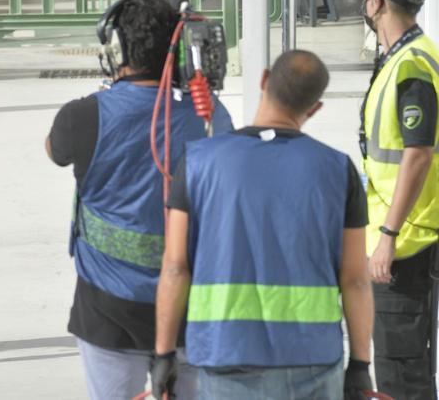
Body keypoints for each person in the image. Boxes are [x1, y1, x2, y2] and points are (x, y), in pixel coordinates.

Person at [153, 50, 374, 398]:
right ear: (314, 109)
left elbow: (176, 267)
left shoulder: (198, 162)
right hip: (313, 360)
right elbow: (356, 279)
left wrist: (163, 353)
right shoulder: (337, 170)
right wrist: (361, 364)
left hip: (226, 356)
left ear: (263, 80)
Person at [47, 0, 232, 400]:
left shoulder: (81, 116)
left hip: (108, 310)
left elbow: (54, 150)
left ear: (116, 48)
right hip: (192, 306)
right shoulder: (211, 118)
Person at [355, 0, 439, 398]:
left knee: (399, 367)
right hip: (407, 231)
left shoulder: (410, 66)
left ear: (378, 0)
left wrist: (388, 235)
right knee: (405, 360)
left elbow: (418, 154)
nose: (363, 2)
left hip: (406, 240)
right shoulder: (408, 55)